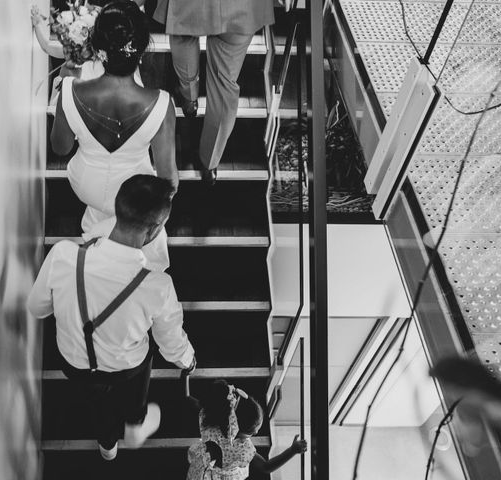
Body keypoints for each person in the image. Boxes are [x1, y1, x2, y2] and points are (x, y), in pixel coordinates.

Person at [27, 175, 196, 460]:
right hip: (127, 368)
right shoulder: (157, 287)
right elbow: (170, 343)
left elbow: (37, 308)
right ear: (155, 229)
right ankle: (135, 423)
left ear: (118, 209)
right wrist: (188, 359)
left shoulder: (64, 255)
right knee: (146, 356)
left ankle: (107, 445)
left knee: (96, 401)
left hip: (73, 363)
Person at [51, 1, 177, 234]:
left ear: (98, 47)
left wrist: (66, 92)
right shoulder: (162, 104)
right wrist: (155, 227)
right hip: (135, 196)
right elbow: (169, 180)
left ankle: (98, 235)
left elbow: (61, 148)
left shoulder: (70, 90)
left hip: (86, 184)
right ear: (141, 49)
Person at [153, 0, 275, 185]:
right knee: (225, 86)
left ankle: (189, 98)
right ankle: (210, 161)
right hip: (242, 7)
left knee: (183, 35)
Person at [186, 380, 307, 479]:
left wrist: (185, 378)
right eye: (252, 432)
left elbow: (188, 399)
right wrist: (292, 451)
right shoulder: (243, 450)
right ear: (237, 430)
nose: (256, 432)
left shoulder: (210, 419)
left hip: (202, 468)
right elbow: (266, 467)